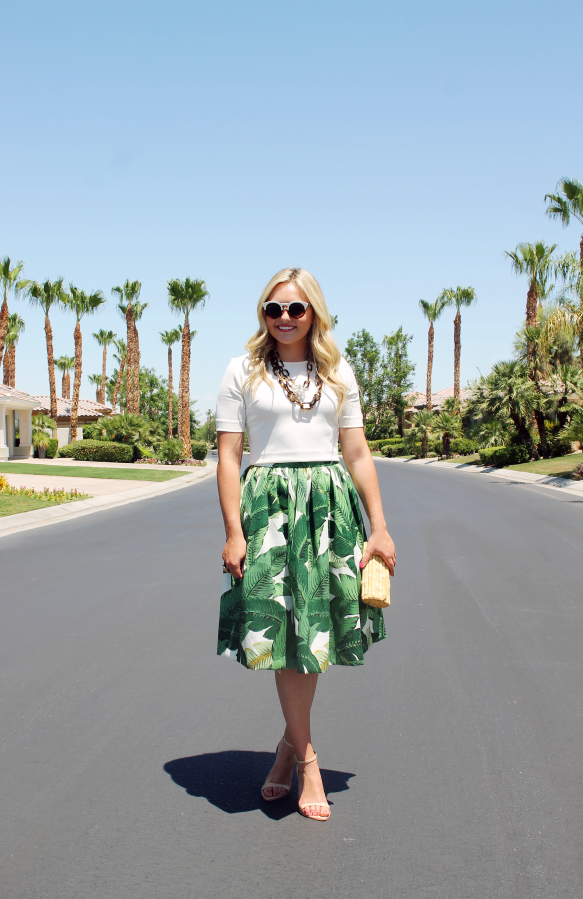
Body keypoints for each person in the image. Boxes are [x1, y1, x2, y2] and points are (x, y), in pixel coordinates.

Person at [216, 267, 395, 822]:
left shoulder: (337, 369)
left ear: (313, 312)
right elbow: (228, 457)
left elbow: (358, 453)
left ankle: (287, 749)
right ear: (263, 314)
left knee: (314, 629)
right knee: (279, 628)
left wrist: (380, 526)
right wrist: (233, 530)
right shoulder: (242, 369)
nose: (285, 319)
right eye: (274, 309)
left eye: (296, 309)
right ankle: (309, 759)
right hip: (268, 507)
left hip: (328, 508)